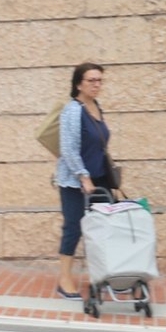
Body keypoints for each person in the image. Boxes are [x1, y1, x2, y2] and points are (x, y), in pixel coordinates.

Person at [54, 61, 111, 298]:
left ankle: (99, 275)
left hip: (99, 179)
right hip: (75, 181)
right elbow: (68, 149)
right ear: (79, 84)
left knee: (100, 228)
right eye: (91, 80)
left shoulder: (96, 106)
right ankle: (64, 279)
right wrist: (83, 177)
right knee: (74, 228)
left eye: (99, 80)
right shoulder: (73, 109)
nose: (96, 85)